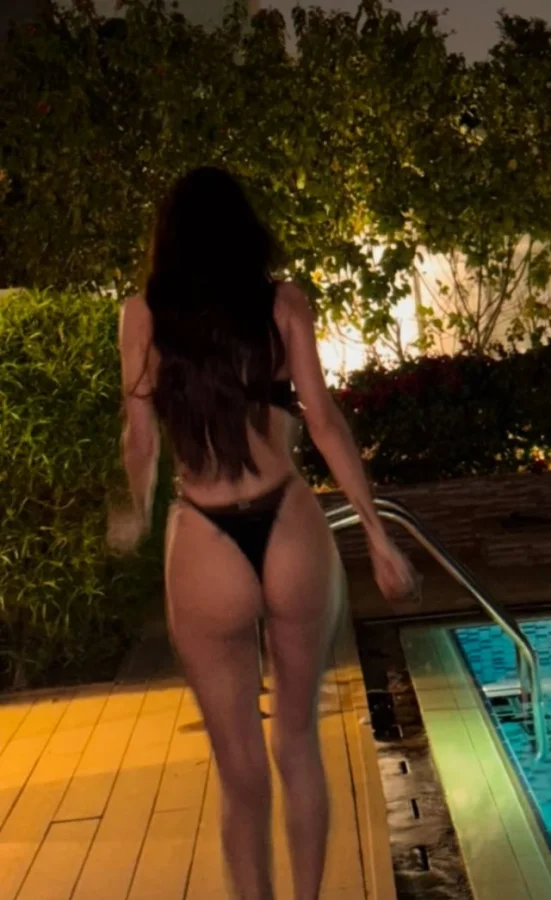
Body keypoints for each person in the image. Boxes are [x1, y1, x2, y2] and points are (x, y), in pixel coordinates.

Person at [108, 167, 414, 900]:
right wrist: (377, 534)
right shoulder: (283, 303)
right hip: (288, 526)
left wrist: (138, 510)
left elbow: (141, 438)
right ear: (245, 231)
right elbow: (324, 422)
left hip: (205, 535)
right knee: (298, 742)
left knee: (240, 775)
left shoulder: (142, 315)